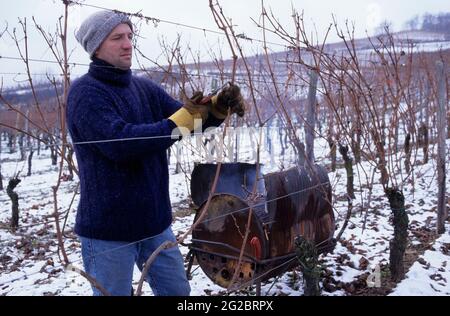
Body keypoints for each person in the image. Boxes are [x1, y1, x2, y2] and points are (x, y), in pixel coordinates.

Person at [67, 10, 245, 296]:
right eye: (117, 38)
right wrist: (179, 123)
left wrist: (216, 108)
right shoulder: (86, 93)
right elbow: (120, 143)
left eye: (129, 36)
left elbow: (187, 120)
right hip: (108, 230)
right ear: (96, 47)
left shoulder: (143, 87)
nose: (127, 44)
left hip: (153, 222)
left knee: (178, 293)